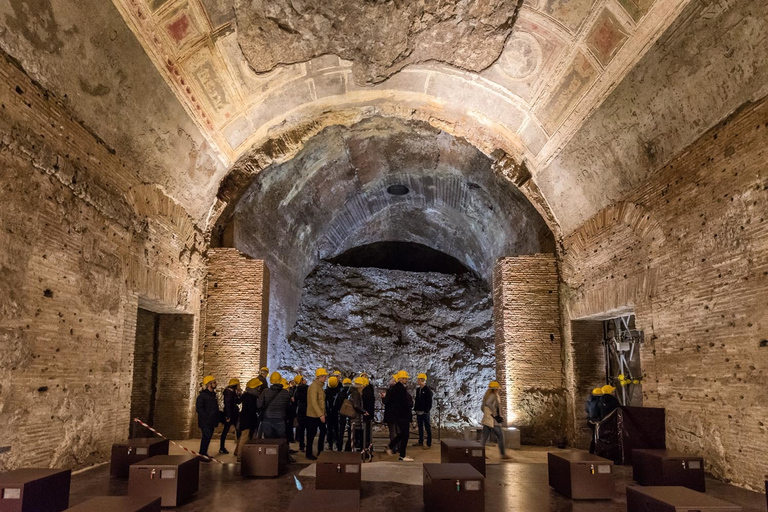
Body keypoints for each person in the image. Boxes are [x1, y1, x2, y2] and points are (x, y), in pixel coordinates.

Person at [384, 370, 414, 461]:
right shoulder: (400, 389)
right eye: (405, 378)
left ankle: (391, 446)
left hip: (398, 415)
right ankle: (402, 455)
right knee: (405, 434)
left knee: (402, 434)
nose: (406, 380)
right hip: (403, 415)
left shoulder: (395, 388)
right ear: (401, 379)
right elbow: (404, 403)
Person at [480, 381, 512, 460]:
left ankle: (480, 454)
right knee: (500, 436)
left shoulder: (487, 396)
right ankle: (503, 454)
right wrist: (494, 411)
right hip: (493, 421)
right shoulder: (493, 396)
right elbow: (488, 403)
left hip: (488, 420)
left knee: (484, 438)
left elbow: (483, 407)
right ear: (495, 389)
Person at [257, 371, 292, 439]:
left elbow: (259, 405)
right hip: (280, 418)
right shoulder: (285, 393)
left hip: (267, 418)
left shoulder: (265, 391)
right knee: (280, 441)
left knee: (268, 441)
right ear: (280, 380)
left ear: (271, 381)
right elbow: (288, 406)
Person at [305, 367, 329, 460]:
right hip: (313, 416)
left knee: (323, 431)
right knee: (311, 435)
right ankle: (309, 453)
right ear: (319, 377)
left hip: (319, 415)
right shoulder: (314, 387)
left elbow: (321, 402)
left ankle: (320, 450)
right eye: (324, 376)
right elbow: (314, 402)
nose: (325, 378)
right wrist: (320, 415)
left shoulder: (319, 387)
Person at [235, 378, 261, 459]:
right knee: (245, 437)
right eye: (258, 387)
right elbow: (252, 409)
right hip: (248, 419)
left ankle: (237, 452)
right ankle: (240, 455)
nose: (259, 388)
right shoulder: (252, 397)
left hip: (245, 418)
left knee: (242, 437)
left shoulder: (246, 395)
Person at [195, 375, 219, 462]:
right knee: (206, 437)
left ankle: (204, 453)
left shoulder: (213, 395)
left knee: (207, 438)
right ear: (209, 384)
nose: (216, 384)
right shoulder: (202, 396)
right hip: (205, 422)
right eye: (214, 382)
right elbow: (199, 409)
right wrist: (207, 417)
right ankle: (202, 455)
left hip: (211, 421)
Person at [220, 378, 242, 454]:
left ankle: (238, 449)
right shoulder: (228, 392)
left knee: (236, 430)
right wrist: (228, 416)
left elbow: (237, 402)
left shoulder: (232, 392)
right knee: (226, 431)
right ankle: (222, 448)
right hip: (230, 414)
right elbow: (228, 404)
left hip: (233, 414)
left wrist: (239, 394)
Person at [413, 373, 433, 449]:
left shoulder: (427, 390)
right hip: (419, 411)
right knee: (420, 427)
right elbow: (417, 400)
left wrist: (426, 410)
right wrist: (416, 409)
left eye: (419, 379)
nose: (418, 381)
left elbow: (429, 402)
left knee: (427, 427)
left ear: (422, 380)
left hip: (425, 412)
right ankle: (420, 441)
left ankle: (429, 443)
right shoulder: (418, 390)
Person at [349, 377, 368, 451]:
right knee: (354, 436)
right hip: (355, 417)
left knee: (353, 436)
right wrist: (363, 411)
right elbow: (356, 405)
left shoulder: (353, 392)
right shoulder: (356, 393)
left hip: (354, 416)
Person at [336, 378, 353, 451]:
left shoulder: (339, 394)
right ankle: (349, 447)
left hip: (341, 414)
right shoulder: (351, 393)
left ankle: (339, 447)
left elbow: (335, 405)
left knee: (340, 432)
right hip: (350, 415)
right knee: (350, 432)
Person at [325, 376, 341, 450]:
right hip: (336, 413)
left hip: (328, 413)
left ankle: (330, 444)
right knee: (336, 428)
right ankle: (338, 444)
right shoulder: (339, 391)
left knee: (329, 429)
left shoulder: (325, 392)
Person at [360, 373, 375, 450]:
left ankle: (365, 446)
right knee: (367, 432)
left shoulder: (365, 392)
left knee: (365, 432)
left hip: (365, 414)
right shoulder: (370, 391)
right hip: (368, 414)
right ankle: (368, 446)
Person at [293, 375, 308, 452]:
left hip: (299, 410)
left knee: (301, 429)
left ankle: (301, 446)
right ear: (301, 381)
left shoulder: (296, 390)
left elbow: (294, 401)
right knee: (308, 429)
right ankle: (308, 446)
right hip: (307, 410)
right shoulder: (307, 388)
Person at [381, 374, 398, 443]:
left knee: (392, 431)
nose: (390, 380)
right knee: (397, 430)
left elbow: (386, 401)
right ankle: (397, 446)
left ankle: (393, 447)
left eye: (392, 379)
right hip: (397, 414)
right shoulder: (399, 390)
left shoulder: (391, 390)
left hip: (391, 414)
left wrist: (383, 397)